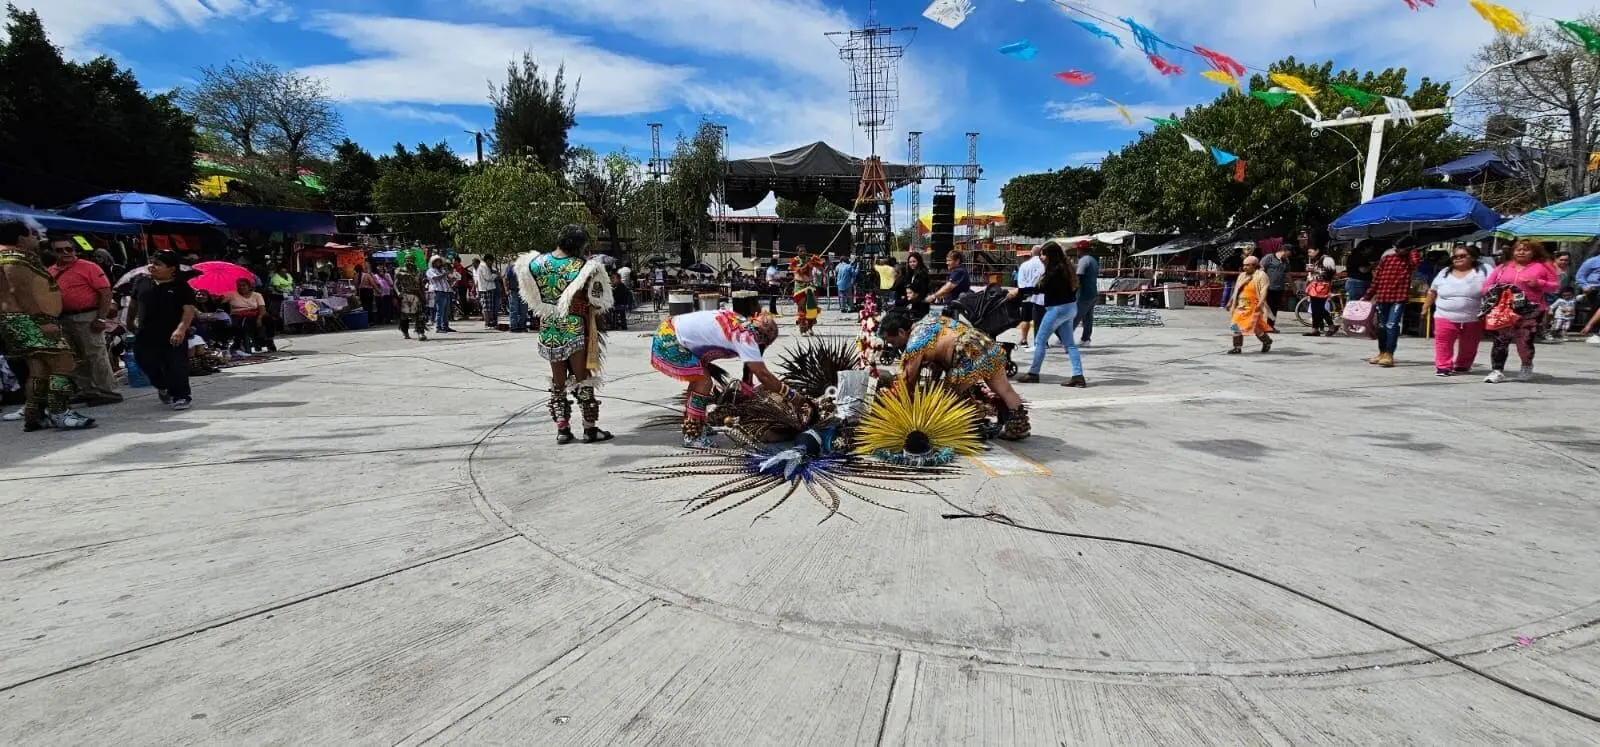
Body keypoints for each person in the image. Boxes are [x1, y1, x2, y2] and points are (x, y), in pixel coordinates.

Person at [514, 224, 614, 444]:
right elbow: (598, 300)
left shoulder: (534, 263)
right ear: (579, 245)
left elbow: (527, 290)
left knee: (558, 381)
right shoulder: (586, 267)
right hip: (575, 326)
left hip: (548, 327)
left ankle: (562, 429)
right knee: (583, 379)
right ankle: (589, 429)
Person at [878, 307, 1030, 440]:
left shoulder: (914, 344)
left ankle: (964, 426)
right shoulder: (929, 320)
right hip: (985, 345)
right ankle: (1018, 428)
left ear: (901, 332)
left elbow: (907, 381)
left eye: (891, 341)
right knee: (1005, 389)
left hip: (967, 356)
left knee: (946, 397)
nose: (893, 345)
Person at [0, 219, 96, 430]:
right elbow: (20, 292)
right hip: (29, 320)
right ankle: (59, 411)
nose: (36, 238)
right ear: (21, 237)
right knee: (64, 363)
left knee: (39, 369)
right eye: (33, 234)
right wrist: (42, 321)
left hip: (18, 320)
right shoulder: (13, 259)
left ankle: (34, 415)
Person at [650, 308, 789, 447]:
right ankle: (693, 435)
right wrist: (792, 396)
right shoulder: (746, 338)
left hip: (668, 330)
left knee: (699, 379)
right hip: (669, 340)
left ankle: (696, 424)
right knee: (703, 382)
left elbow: (751, 366)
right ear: (763, 340)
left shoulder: (741, 323)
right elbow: (764, 375)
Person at [47, 237, 121, 405]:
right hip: (63, 318)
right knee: (74, 357)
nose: (66, 253)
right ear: (53, 253)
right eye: (60, 250)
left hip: (88, 316)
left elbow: (105, 293)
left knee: (96, 355)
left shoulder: (89, 267)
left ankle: (107, 391)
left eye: (69, 249)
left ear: (75, 250)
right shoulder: (50, 271)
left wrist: (101, 318)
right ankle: (87, 390)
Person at [127, 250, 197, 411]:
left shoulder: (181, 287)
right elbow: (133, 304)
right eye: (152, 263)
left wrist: (181, 329)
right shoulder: (141, 282)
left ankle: (181, 396)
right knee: (144, 360)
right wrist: (129, 321)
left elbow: (188, 310)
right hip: (146, 332)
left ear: (172, 269)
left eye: (158, 264)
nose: (152, 267)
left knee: (176, 365)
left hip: (173, 333)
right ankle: (162, 385)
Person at [1482, 240, 1559, 383]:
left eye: (1526, 249)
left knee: (1524, 340)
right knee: (1500, 340)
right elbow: (1486, 286)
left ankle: (1526, 365)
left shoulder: (1543, 267)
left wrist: (1539, 283)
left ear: (1534, 252)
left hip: (1531, 309)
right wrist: (1497, 290)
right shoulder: (1503, 267)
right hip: (1504, 308)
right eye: (1518, 249)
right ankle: (1497, 370)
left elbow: (1554, 286)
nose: (1521, 252)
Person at [1016, 242, 1086, 387]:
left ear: (1050, 255)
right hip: (1070, 307)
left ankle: (1033, 373)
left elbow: (1040, 288)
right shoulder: (1066, 268)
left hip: (1057, 309)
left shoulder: (1054, 271)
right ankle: (1078, 376)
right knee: (1070, 344)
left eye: (1042, 254)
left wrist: (1019, 291)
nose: (1040, 257)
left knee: (1040, 341)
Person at [1425, 246, 1488, 376]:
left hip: (1474, 316)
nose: (1458, 258)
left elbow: (1495, 287)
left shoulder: (1484, 270)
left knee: (1470, 344)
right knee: (1443, 342)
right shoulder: (1444, 272)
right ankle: (1443, 367)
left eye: (1462, 256)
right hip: (1444, 315)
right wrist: (1425, 307)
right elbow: (1433, 291)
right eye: (1455, 256)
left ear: (1472, 257)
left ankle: (1463, 365)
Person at [1362, 236, 1418, 368]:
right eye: (1396, 248)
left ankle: (1389, 354)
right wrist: (1367, 295)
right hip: (1383, 296)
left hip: (1399, 297)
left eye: (1400, 248)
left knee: (1392, 325)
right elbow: (1377, 280)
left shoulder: (1409, 260)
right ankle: (1382, 352)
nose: (1397, 250)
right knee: (1381, 326)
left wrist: (1412, 250)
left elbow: (1415, 262)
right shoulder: (1387, 259)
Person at [1227, 255, 1272, 354]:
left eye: (1247, 265)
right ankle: (1237, 347)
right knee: (1235, 325)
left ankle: (1267, 342)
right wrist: (1230, 302)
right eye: (1244, 265)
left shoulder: (1261, 275)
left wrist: (1260, 305)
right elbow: (1236, 290)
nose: (1245, 267)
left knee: (1256, 328)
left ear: (1254, 265)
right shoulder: (1242, 275)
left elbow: (1264, 291)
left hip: (1254, 306)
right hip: (1240, 306)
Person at [224, 277, 269, 354]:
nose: (241, 287)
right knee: (245, 324)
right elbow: (221, 301)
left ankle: (266, 342)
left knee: (268, 320)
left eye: (244, 285)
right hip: (238, 316)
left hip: (255, 314)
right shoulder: (231, 294)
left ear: (249, 286)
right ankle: (246, 345)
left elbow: (262, 308)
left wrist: (259, 318)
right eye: (239, 285)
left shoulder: (257, 295)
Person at [1303, 244, 1338, 337]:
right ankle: (1317, 329)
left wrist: (1315, 270)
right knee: (1316, 308)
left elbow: (1331, 274)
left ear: (1317, 250)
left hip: (1323, 286)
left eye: (1310, 251)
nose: (1309, 254)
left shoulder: (1327, 259)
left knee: (1319, 307)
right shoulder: (1317, 260)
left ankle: (1328, 327)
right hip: (1315, 286)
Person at [1014, 245, 1044, 348]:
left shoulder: (1024, 265)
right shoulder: (1044, 265)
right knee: (1040, 319)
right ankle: (1042, 341)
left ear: (1031, 253)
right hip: (1041, 297)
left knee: (1025, 319)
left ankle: (1024, 340)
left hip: (1027, 296)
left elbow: (1020, 283)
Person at [789, 246, 824, 334]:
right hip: (800, 287)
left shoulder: (809, 259)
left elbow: (821, 267)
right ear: (797, 252)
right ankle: (802, 329)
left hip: (810, 286)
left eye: (804, 251)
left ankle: (810, 328)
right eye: (801, 251)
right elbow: (795, 269)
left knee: (812, 308)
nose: (803, 252)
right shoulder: (794, 260)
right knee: (802, 308)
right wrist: (804, 266)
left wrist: (817, 261)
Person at [1073, 242, 1100, 346]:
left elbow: (1079, 276)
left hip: (1083, 294)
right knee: (1088, 318)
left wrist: (1073, 291)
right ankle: (1086, 339)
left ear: (1081, 250)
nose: (1077, 252)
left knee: (1074, 316)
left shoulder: (1083, 260)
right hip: (1092, 292)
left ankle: (1064, 339)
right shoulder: (1093, 260)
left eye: (1077, 250)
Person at [1260, 242, 1292, 328]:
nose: (1289, 255)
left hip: (1279, 288)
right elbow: (1260, 270)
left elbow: (1287, 274)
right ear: (1284, 251)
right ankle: (1262, 325)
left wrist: (1293, 285)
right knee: (1266, 307)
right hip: (1267, 287)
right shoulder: (1269, 258)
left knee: (1274, 308)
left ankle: (1270, 326)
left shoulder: (1286, 261)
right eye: (1289, 253)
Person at [394, 263, 428, 341]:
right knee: (404, 316)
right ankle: (405, 332)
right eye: (407, 260)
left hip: (416, 295)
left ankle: (420, 332)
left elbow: (421, 285)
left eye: (411, 260)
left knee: (420, 315)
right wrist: (398, 292)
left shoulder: (418, 272)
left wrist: (423, 296)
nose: (409, 262)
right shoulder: (400, 271)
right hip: (405, 295)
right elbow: (395, 284)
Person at [894, 251, 932, 320]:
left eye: (914, 261)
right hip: (912, 305)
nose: (912, 264)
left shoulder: (923, 275)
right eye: (910, 262)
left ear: (919, 262)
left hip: (920, 307)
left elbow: (922, 292)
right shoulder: (910, 274)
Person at [425, 256, 458, 333]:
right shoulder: (430, 270)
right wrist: (445, 274)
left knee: (446, 311)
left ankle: (445, 326)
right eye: (436, 262)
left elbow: (447, 280)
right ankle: (438, 327)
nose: (438, 263)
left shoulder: (440, 270)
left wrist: (451, 278)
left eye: (439, 262)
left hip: (446, 291)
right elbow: (435, 278)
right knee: (440, 310)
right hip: (438, 291)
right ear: (433, 263)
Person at [473, 257, 501, 329]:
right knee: (486, 308)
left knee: (489, 307)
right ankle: (487, 323)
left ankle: (490, 323)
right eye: (490, 261)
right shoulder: (483, 267)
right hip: (486, 289)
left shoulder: (485, 267)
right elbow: (488, 277)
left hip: (488, 288)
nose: (491, 263)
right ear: (487, 260)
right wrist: (496, 274)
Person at [1344, 242, 1374, 307]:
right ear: (1365, 247)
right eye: (1370, 248)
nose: (1371, 250)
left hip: (1354, 283)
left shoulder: (1354, 255)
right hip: (1357, 284)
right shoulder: (1358, 256)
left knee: (1353, 305)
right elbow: (1363, 270)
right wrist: (1372, 265)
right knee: (1356, 305)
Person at [503, 260, 528, 333]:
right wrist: (506, 290)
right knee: (514, 309)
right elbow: (505, 279)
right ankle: (513, 327)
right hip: (513, 291)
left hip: (523, 292)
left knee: (524, 310)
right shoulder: (511, 268)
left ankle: (522, 326)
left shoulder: (525, 269)